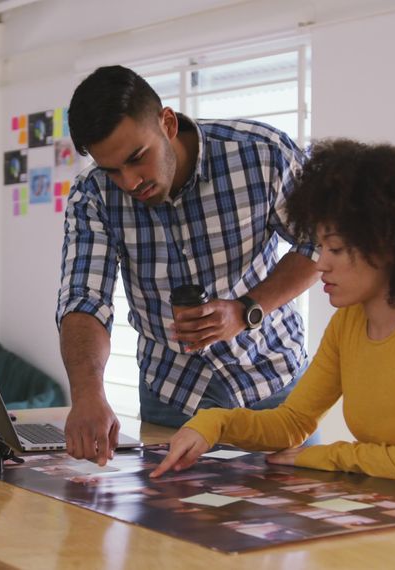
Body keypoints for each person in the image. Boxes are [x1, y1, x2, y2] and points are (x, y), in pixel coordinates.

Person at [151, 139, 395, 492]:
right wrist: (213, 423)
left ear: (388, 245)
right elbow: (292, 422)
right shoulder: (349, 321)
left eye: (335, 249)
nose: (320, 263)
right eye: (321, 247)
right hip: (390, 507)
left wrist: (328, 457)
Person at [56, 65, 319, 465]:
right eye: (112, 170)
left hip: (273, 386)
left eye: (136, 158)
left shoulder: (262, 154)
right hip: (172, 399)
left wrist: (246, 308)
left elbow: (320, 243)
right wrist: (88, 395)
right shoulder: (92, 196)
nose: (128, 182)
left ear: (167, 123)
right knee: (170, 528)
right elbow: (84, 299)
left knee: (294, 525)